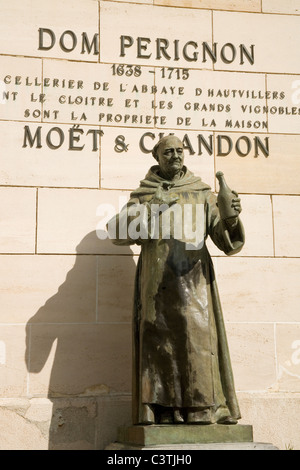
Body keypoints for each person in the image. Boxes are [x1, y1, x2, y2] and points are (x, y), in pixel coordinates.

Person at [107, 135, 245, 425]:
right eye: (168, 152)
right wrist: (151, 207)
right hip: (156, 282)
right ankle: (162, 412)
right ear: (156, 156)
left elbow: (224, 239)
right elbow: (116, 231)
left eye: (179, 151)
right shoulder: (145, 193)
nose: (175, 156)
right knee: (160, 346)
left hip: (194, 280)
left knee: (197, 341)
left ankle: (202, 411)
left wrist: (231, 219)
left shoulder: (201, 191)